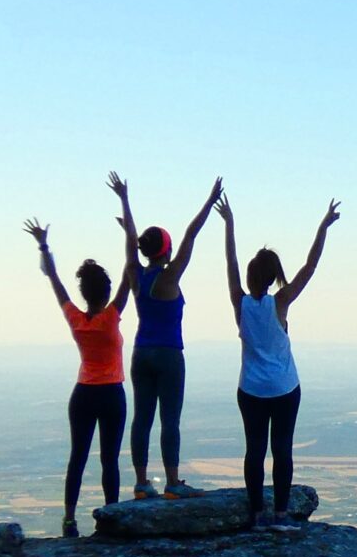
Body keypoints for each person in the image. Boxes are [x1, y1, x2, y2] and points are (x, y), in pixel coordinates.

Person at [217, 190, 340, 528]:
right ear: (272, 277)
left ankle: (256, 513)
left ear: (250, 276)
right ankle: (281, 514)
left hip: (251, 389)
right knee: (282, 449)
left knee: (254, 451)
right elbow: (310, 267)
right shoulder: (280, 302)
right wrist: (323, 226)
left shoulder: (240, 304)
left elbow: (230, 263)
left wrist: (229, 224)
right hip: (285, 388)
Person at [107, 170, 223, 500]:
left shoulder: (135, 273)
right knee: (170, 419)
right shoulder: (169, 278)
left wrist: (125, 200)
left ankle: (142, 483)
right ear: (166, 251)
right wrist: (209, 201)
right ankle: (172, 483)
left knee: (142, 418)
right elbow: (192, 234)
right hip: (169, 354)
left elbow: (131, 242)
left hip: (141, 353)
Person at [23, 208, 136, 538]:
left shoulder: (76, 318)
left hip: (83, 393)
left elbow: (56, 282)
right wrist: (129, 231)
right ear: (105, 293)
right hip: (112, 393)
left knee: (78, 458)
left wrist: (44, 247)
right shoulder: (111, 316)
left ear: (86, 293)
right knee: (110, 460)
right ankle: (111, 516)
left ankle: (69, 520)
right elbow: (131, 272)